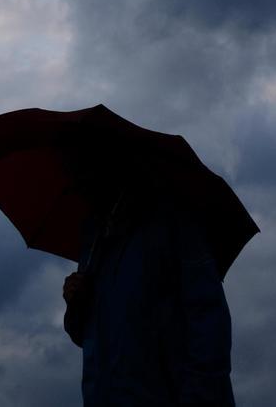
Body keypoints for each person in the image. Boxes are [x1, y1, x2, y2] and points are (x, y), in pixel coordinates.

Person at [61, 173, 236, 406]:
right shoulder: (95, 240)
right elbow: (91, 336)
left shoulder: (173, 221)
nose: (73, 177)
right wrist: (76, 304)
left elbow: (209, 323)